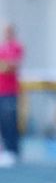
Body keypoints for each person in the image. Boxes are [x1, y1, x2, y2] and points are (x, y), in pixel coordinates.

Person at [0, 23, 22, 166]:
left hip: (10, 90)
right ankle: (5, 150)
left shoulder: (16, 47)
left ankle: (13, 150)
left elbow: (13, 66)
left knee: (10, 121)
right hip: (1, 89)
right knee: (2, 122)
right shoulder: (2, 47)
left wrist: (5, 65)